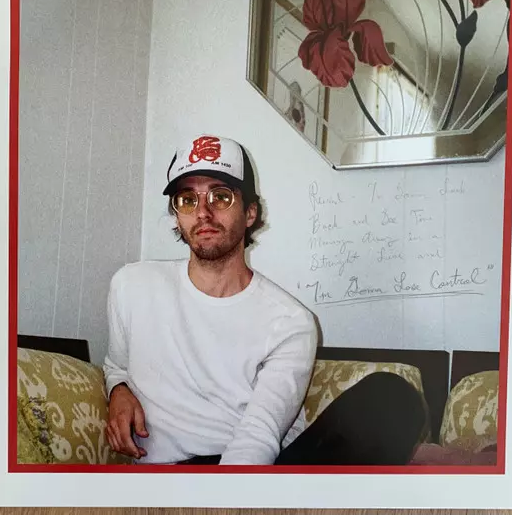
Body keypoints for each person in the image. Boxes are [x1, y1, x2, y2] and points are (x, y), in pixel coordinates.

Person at [103, 134, 427, 466]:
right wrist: (118, 389)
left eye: (220, 196)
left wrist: (224, 493)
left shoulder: (290, 322)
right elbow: (116, 365)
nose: (202, 212)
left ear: (250, 213)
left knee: (392, 398)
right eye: (187, 199)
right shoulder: (132, 286)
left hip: (257, 471)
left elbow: (258, 437)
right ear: (177, 215)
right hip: (168, 479)